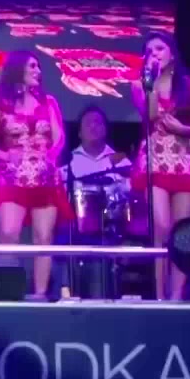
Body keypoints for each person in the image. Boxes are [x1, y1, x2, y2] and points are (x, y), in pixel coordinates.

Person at [129, 31, 190, 301]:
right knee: (161, 227)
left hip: (183, 161)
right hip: (154, 160)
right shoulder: (138, 85)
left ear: (172, 54)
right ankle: (159, 297)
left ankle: (176, 296)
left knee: (182, 231)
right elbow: (151, 115)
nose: (154, 54)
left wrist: (184, 129)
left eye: (159, 48)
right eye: (149, 51)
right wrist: (151, 82)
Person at [0, 50, 69, 299]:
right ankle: (6, 291)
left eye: (38, 67)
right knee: (9, 233)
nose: (38, 71)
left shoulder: (49, 102)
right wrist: (6, 156)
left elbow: (60, 138)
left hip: (44, 178)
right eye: (32, 66)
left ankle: (40, 295)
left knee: (43, 236)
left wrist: (50, 158)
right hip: (12, 177)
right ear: (17, 68)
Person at [55, 105, 131, 297]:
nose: (93, 126)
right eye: (88, 123)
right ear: (79, 133)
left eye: (98, 122)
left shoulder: (121, 161)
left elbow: (130, 197)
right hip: (75, 232)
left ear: (106, 129)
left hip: (114, 231)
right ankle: (66, 291)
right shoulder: (69, 163)